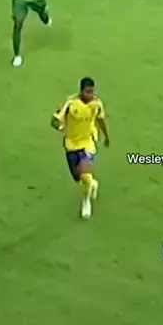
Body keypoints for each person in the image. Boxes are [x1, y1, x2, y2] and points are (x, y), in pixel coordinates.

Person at [51, 77, 110, 219]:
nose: (90, 95)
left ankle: (86, 201)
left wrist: (106, 136)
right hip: (71, 144)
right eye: (87, 92)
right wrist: (59, 126)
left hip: (88, 143)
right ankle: (92, 184)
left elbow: (100, 120)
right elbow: (55, 121)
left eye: (92, 92)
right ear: (81, 91)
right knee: (79, 177)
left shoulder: (96, 104)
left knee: (85, 170)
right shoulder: (71, 103)